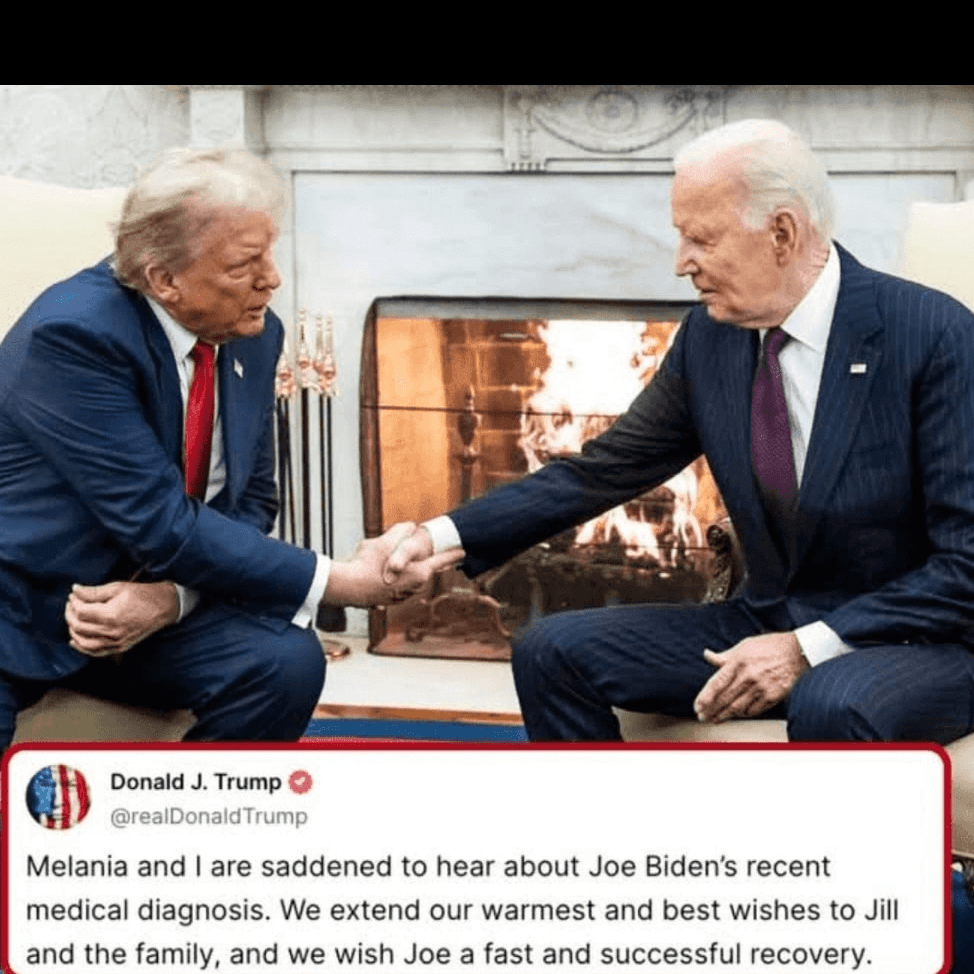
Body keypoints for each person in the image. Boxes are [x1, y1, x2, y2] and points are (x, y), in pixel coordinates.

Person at [386, 118, 974, 743]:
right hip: (765, 620)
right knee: (550, 650)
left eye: (701, 239)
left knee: (831, 701)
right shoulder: (710, 340)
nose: (680, 263)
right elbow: (602, 470)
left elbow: (966, 563)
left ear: (781, 233)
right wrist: (438, 537)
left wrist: (806, 649)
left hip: (917, 641)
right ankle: (614, 814)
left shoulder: (933, 334)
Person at [0, 147, 458, 748]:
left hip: (150, 608)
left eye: (269, 252)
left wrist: (173, 600)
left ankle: (183, 809)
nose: (272, 279)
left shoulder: (253, 333)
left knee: (283, 661)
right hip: (23, 609)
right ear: (164, 279)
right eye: (245, 264)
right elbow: (161, 521)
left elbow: (253, 498)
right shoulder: (74, 336)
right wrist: (343, 582)